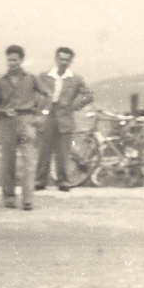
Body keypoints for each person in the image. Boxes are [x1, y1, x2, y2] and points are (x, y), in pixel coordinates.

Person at [0, 45, 47, 211]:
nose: (12, 63)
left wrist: (41, 113)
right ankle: (9, 197)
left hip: (27, 119)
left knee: (29, 160)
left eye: (15, 59)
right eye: (9, 59)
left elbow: (47, 94)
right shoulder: (0, 81)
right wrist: (3, 110)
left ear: (21, 60)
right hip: (7, 123)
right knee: (8, 160)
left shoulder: (31, 78)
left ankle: (28, 199)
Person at [35, 47, 94, 191]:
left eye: (66, 60)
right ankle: (40, 180)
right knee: (44, 149)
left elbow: (88, 95)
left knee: (63, 151)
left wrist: (73, 105)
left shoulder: (75, 78)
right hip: (47, 114)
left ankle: (63, 181)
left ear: (70, 61)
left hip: (64, 116)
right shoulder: (44, 76)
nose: (63, 62)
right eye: (61, 59)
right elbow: (35, 93)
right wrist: (40, 107)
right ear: (56, 59)